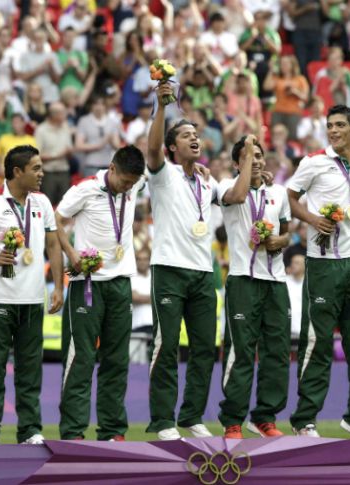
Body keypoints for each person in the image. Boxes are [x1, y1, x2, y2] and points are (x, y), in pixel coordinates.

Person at [285, 105, 350, 439]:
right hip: (322, 262)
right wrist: (313, 220)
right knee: (318, 341)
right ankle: (304, 419)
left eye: (340, 125)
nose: (334, 130)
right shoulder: (313, 162)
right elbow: (290, 198)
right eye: (330, 125)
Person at [0, 145, 64, 445]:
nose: (41, 173)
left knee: (30, 370)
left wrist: (59, 286)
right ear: (17, 171)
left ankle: (30, 429)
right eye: (36, 168)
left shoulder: (43, 202)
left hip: (33, 298)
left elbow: (53, 246)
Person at [54, 145, 147, 441]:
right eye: (125, 181)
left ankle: (112, 430)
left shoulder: (135, 182)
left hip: (121, 283)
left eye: (134, 183)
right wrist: (71, 253)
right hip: (88, 283)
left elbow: (156, 153)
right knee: (80, 358)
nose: (129, 187)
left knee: (116, 360)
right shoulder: (84, 189)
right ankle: (72, 431)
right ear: (112, 167)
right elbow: (53, 220)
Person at [145, 83, 219, 440]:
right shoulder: (163, 175)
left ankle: (191, 416)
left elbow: (235, 196)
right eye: (186, 136)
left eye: (196, 135)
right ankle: (162, 421)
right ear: (173, 147)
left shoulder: (207, 181)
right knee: (167, 344)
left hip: (204, 272)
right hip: (170, 269)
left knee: (205, 347)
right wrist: (161, 107)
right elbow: (151, 148)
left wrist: (254, 172)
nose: (194, 139)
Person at [217, 135, 292, 439]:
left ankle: (264, 418)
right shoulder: (226, 186)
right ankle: (233, 419)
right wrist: (247, 161)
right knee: (241, 352)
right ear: (237, 163)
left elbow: (288, 234)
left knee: (277, 352)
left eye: (260, 155)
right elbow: (236, 196)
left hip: (276, 281)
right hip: (242, 280)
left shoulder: (279, 193)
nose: (257, 160)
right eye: (250, 156)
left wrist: (279, 242)